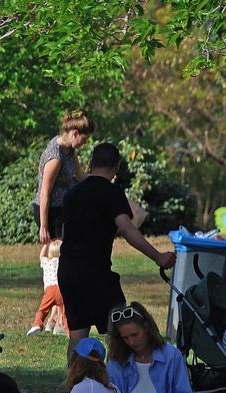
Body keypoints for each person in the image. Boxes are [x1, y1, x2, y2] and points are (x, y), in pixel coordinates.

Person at [58, 142, 176, 360]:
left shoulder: (72, 194)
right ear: (117, 167)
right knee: (121, 328)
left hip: (67, 270)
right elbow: (126, 228)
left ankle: (74, 385)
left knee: (77, 334)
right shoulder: (112, 193)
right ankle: (119, 380)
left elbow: (69, 232)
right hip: (95, 272)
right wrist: (158, 256)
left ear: (91, 163)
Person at [105, 301, 195, 393]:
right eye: (125, 338)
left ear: (146, 328)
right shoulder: (116, 360)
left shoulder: (171, 356)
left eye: (135, 335)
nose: (131, 342)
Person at [34, 110, 93, 262]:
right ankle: (52, 285)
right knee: (56, 254)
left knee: (63, 251)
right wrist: (44, 226)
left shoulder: (69, 149)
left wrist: (100, 178)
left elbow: (80, 176)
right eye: (84, 139)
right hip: (50, 211)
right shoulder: (56, 156)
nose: (84, 143)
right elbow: (45, 192)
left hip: (62, 207)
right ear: (74, 133)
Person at [27, 246, 66, 336]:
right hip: (61, 290)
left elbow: (41, 256)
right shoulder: (63, 262)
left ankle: (37, 324)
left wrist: (45, 244)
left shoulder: (47, 262)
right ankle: (67, 329)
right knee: (65, 312)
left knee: (42, 310)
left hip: (50, 291)